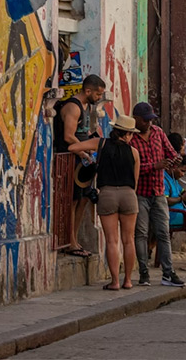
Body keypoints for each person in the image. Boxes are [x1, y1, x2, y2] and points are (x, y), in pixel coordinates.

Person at [68, 115, 140, 290]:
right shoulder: (134, 153)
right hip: (128, 195)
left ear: (115, 130)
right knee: (129, 240)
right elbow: (135, 182)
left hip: (107, 194)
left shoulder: (100, 143)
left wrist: (87, 155)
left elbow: (72, 146)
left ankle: (115, 281)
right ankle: (128, 280)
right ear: (129, 135)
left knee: (112, 240)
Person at [130, 102, 185, 287]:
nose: (148, 123)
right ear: (136, 119)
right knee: (141, 233)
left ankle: (168, 272)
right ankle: (143, 271)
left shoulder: (158, 133)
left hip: (158, 191)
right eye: (145, 120)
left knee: (163, 232)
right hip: (140, 193)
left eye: (150, 120)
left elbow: (170, 152)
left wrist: (175, 160)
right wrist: (154, 166)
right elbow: (132, 167)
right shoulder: (131, 138)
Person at [53, 74, 106, 258]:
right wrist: (83, 151)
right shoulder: (72, 107)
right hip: (71, 160)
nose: (99, 98)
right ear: (88, 90)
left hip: (83, 162)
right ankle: (70, 242)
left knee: (84, 199)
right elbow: (68, 136)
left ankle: (74, 239)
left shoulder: (87, 107)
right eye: (98, 94)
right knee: (72, 201)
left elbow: (85, 131)